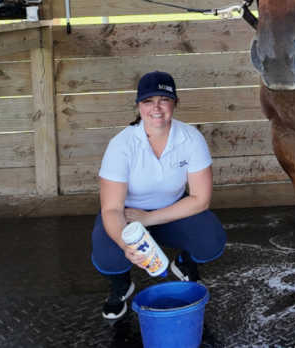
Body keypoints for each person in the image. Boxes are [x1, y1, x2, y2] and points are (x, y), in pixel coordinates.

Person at [89, 70, 226, 321]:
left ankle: (185, 263)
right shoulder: (121, 145)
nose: (157, 108)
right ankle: (121, 285)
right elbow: (111, 209)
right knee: (109, 257)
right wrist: (125, 244)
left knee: (211, 240)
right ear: (139, 105)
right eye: (148, 101)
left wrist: (149, 219)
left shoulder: (191, 139)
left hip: (170, 212)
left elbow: (201, 199)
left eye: (164, 100)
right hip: (127, 216)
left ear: (175, 102)